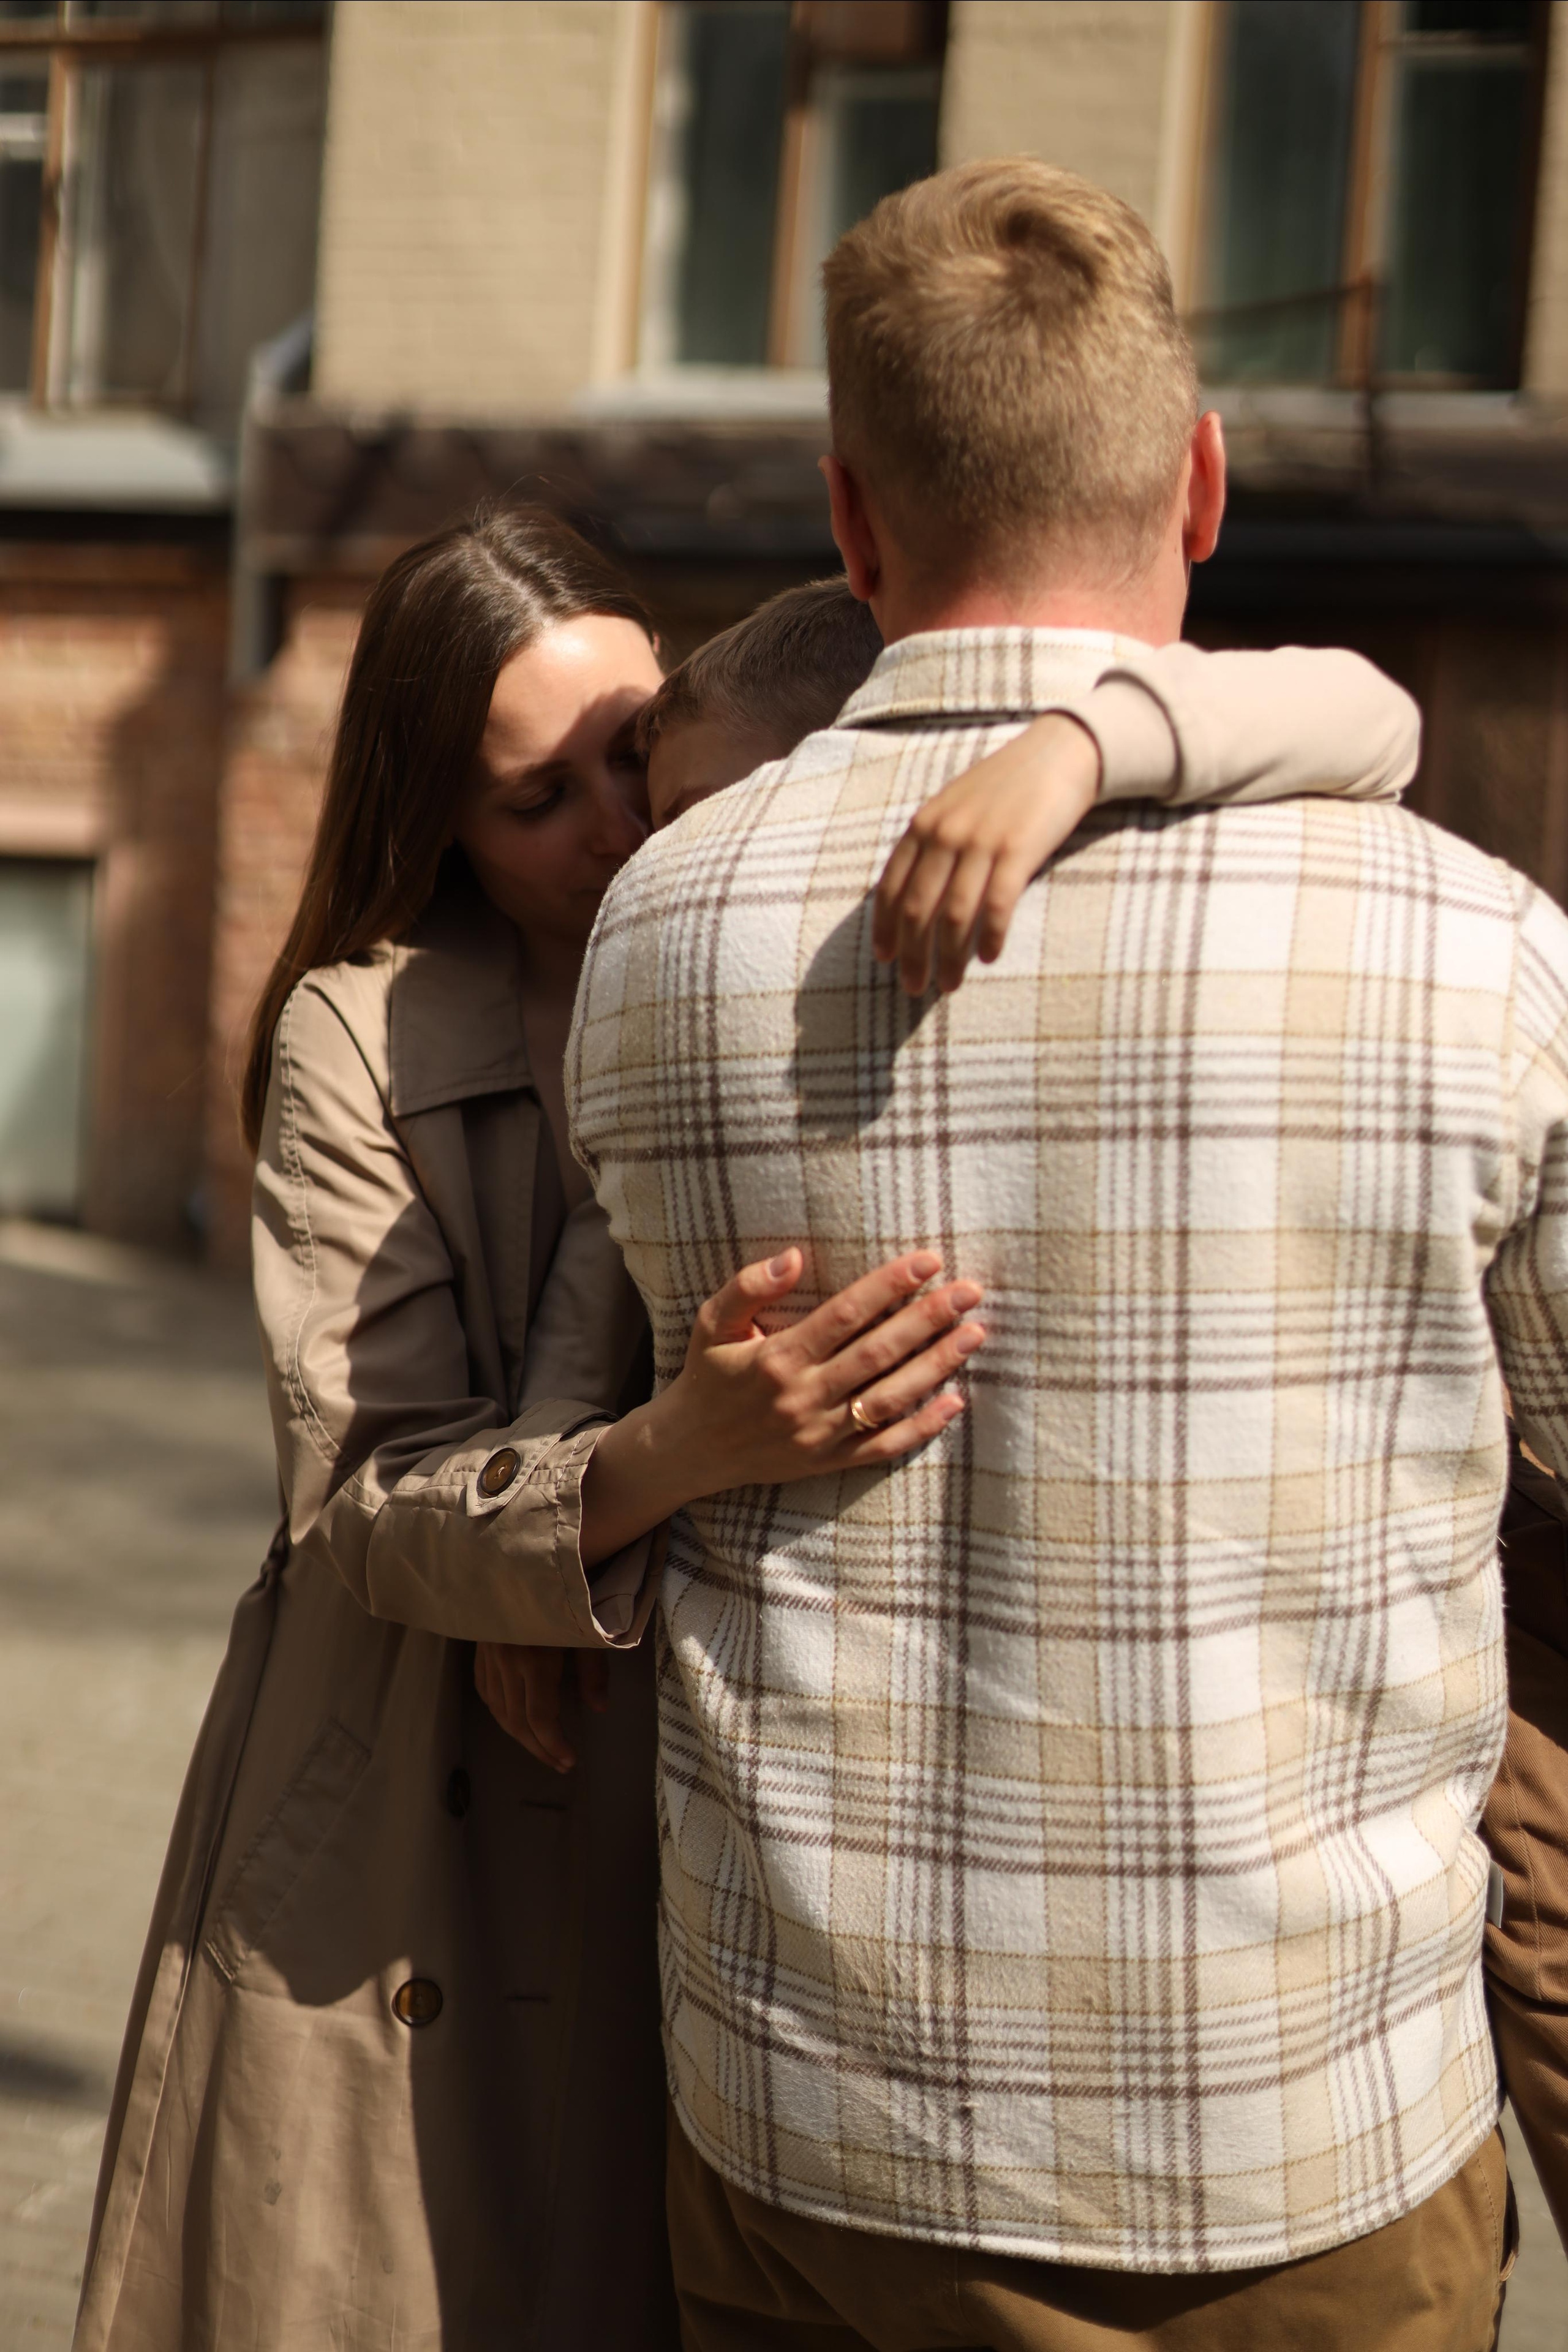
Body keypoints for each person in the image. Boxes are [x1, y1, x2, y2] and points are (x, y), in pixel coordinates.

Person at [74, 511, 1411, 2352]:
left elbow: (1363, 712)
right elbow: (366, 1496)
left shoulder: (796, 892)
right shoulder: (358, 1036)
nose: (622, 820)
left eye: (636, 753)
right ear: (438, 823)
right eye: (540, 799)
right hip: (414, 1789)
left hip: (734, 1775)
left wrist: (1076, 746)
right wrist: (657, 1464)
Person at [569, 159, 1553, 2350]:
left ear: (851, 520)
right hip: (1297, 2141)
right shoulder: (1477, 943)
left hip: (816, 2132)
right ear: (1201, 481)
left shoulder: (658, 928)